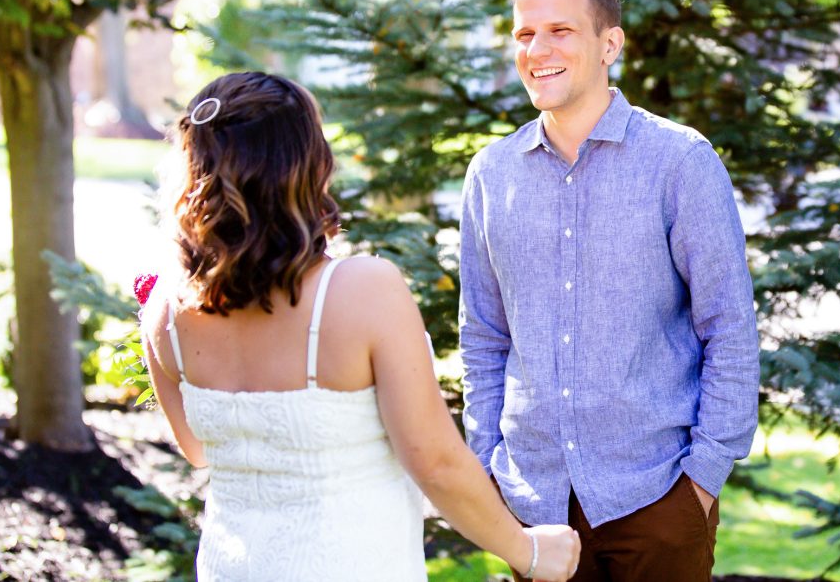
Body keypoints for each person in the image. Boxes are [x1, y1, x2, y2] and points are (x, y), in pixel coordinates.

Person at [140, 72, 581, 581]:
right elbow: (434, 461)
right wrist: (527, 550)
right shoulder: (362, 290)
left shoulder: (166, 310)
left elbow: (198, 449)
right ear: (305, 166)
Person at [458, 0, 761, 581]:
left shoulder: (680, 161)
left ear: (609, 44)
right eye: (524, 34)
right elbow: (483, 336)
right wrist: (487, 463)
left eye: (560, 31)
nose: (537, 50)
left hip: (658, 499)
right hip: (534, 507)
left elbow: (729, 326)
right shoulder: (491, 174)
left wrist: (702, 480)